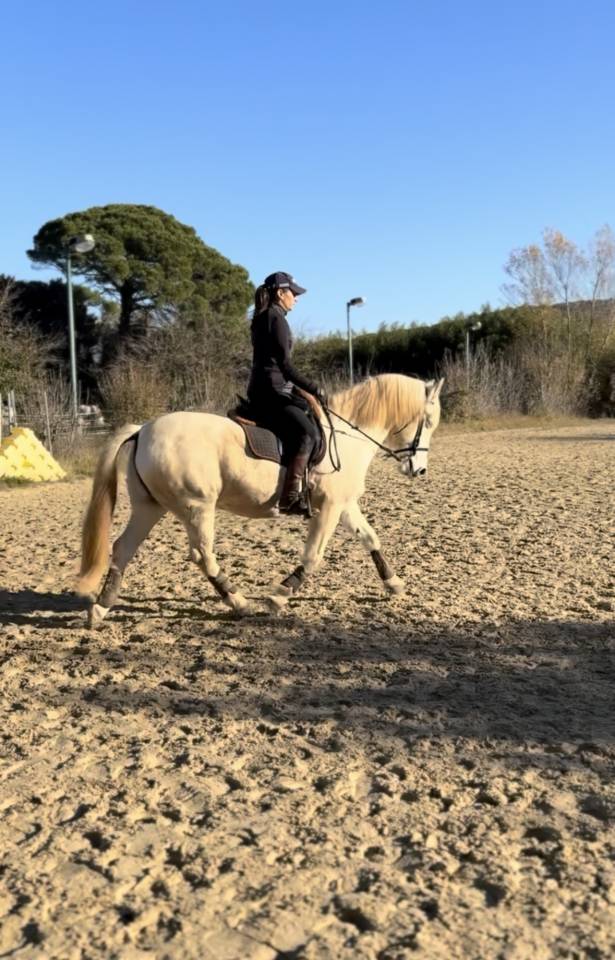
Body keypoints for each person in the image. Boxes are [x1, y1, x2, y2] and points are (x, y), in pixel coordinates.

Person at [247, 271, 325, 516]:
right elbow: (286, 366)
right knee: (308, 432)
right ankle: (290, 496)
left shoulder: (263, 316)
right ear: (281, 293)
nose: (297, 299)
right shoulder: (276, 318)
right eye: (294, 293)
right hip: (273, 390)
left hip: (266, 387)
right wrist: (315, 388)